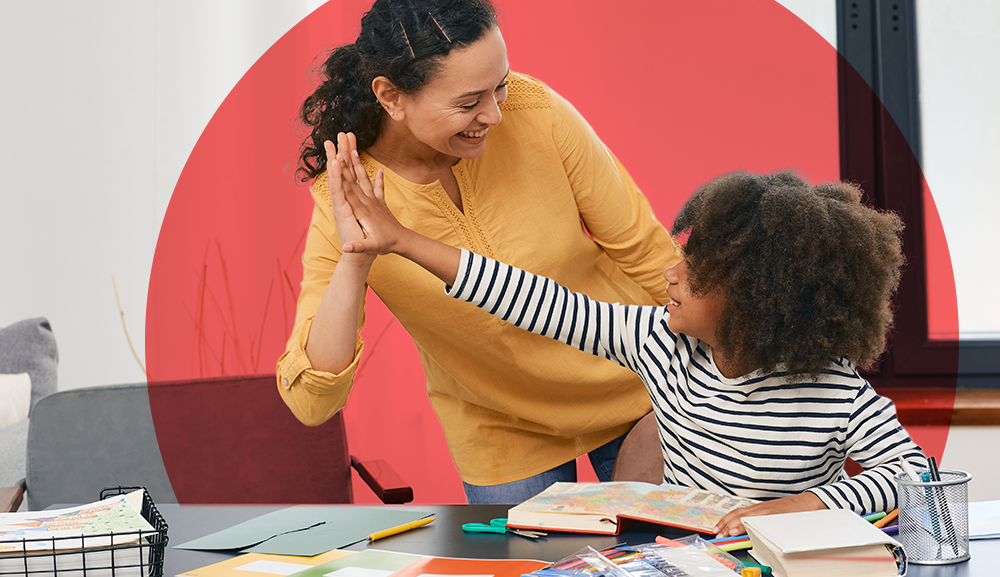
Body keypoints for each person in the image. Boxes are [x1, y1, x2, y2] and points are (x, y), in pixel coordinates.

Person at [334, 163, 928, 536]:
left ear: (754, 301)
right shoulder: (662, 344)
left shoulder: (832, 389)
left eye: (694, 273)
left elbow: (913, 474)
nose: (670, 275)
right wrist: (405, 241)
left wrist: (797, 506)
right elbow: (534, 300)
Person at [275, 0, 681, 504]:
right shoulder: (348, 195)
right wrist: (356, 256)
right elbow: (312, 400)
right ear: (391, 96)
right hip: (501, 428)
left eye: (500, 86)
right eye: (468, 103)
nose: (494, 114)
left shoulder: (536, 113)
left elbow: (649, 253)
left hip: (636, 390)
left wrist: (705, 383)